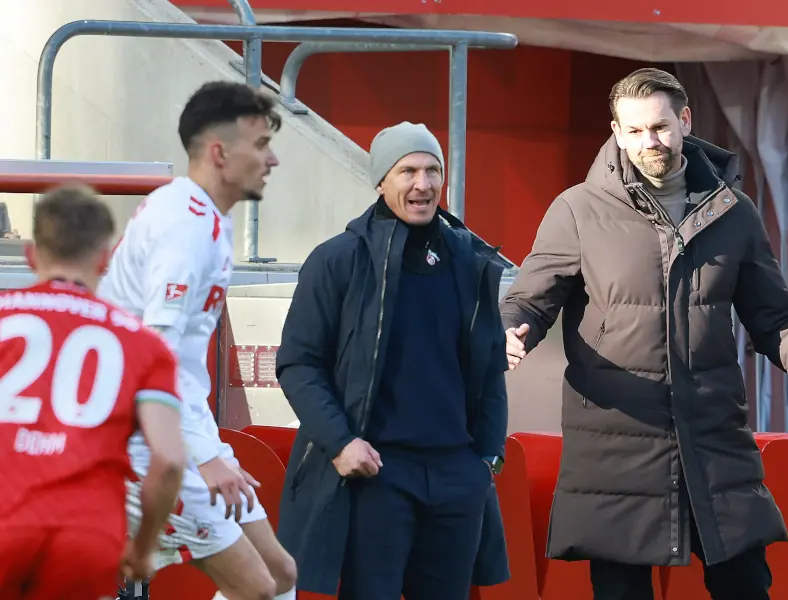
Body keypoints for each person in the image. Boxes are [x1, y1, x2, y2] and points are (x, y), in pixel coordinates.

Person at [499, 67, 788, 600]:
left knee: (745, 584)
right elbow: (529, 298)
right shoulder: (577, 210)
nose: (650, 141)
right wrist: (512, 333)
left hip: (714, 441)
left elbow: (776, 319)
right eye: (636, 130)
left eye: (661, 127)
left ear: (685, 121)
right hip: (616, 449)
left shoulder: (735, 214)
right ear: (616, 132)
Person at [274, 121, 510, 600]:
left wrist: (485, 457)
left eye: (432, 170)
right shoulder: (338, 260)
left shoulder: (470, 260)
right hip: (376, 472)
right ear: (381, 180)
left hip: (456, 474)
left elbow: (488, 367)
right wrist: (341, 443)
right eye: (407, 171)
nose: (422, 185)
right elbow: (298, 364)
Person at [98, 81, 297, 600]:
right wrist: (203, 456)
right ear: (219, 152)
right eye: (259, 145)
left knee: (280, 578)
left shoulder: (206, 218)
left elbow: (179, 363)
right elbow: (155, 357)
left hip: (175, 434)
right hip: (143, 446)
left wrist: (210, 447)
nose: (271, 159)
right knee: (257, 589)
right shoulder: (184, 227)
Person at [0, 184, 186, 600]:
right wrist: (142, 549)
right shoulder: (143, 344)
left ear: (30, 255)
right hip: (85, 535)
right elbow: (170, 458)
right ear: (105, 258)